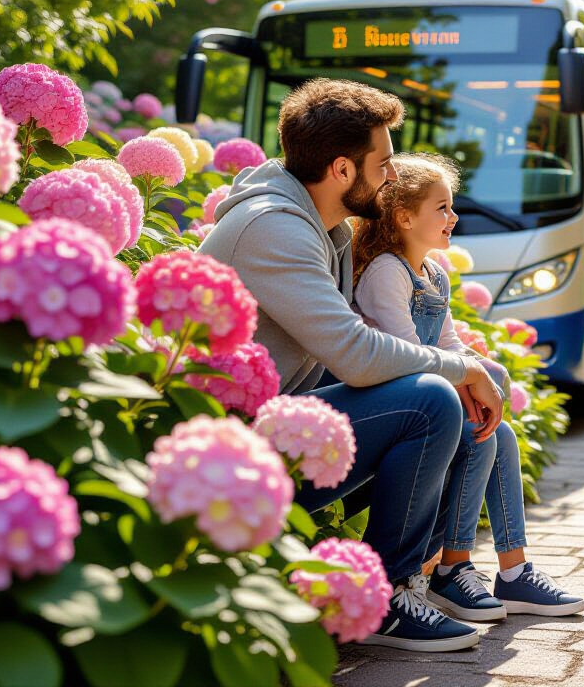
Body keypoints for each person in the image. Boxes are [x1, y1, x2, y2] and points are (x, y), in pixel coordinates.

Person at [198, 78, 505, 652]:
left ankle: (423, 577)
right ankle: (386, 599)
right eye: (384, 162)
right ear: (342, 169)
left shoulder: (323, 225)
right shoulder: (277, 228)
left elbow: (349, 356)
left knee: (454, 404)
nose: (393, 176)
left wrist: (461, 371)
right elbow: (358, 356)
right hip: (228, 466)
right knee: (433, 398)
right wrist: (458, 370)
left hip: (279, 425)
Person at [352, 153, 584, 621]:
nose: (454, 217)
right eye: (442, 208)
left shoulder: (432, 273)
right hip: (398, 403)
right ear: (403, 217)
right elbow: (406, 356)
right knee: (483, 430)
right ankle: (453, 569)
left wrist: (490, 375)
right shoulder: (385, 272)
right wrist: (470, 383)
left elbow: (450, 344)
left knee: (496, 427)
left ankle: (511, 570)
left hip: (430, 390)